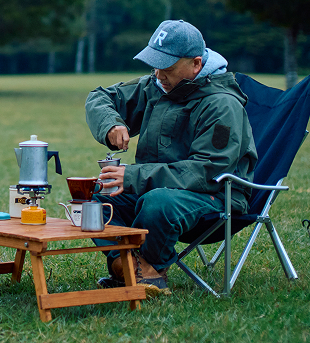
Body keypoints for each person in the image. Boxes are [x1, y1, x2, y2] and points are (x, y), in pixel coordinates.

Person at [86, 19, 257, 295]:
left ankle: (144, 272)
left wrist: (133, 176)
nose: (158, 74)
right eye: (155, 65)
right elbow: (100, 98)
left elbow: (208, 170)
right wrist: (111, 124)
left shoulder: (222, 104)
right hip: (159, 187)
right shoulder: (158, 85)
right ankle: (133, 267)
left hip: (217, 195)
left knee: (158, 203)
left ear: (196, 64)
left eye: (167, 67)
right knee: (99, 197)